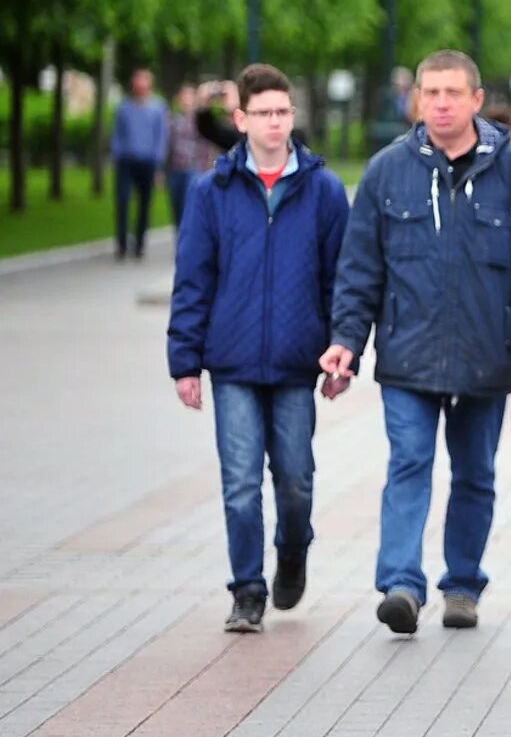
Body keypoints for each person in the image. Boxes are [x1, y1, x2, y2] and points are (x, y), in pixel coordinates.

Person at [321, 50, 511, 634]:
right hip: (407, 354)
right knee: (410, 464)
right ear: (417, 100)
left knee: (475, 474)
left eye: (453, 93)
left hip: (486, 357)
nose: (441, 103)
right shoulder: (387, 171)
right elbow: (359, 269)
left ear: (477, 99)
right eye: (431, 94)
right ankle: (400, 584)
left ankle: (463, 586)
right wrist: (348, 338)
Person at [167, 64, 352, 632]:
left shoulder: (322, 190)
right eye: (264, 113)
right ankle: (247, 588)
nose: (275, 123)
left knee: (295, 479)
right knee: (241, 483)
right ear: (241, 119)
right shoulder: (212, 192)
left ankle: (292, 551)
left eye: (283, 112)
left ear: (292, 116)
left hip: (298, 362)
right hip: (234, 362)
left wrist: (342, 349)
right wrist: (185, 362)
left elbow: (340, 279)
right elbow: (193, 278)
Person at [112, 68, 168, 260]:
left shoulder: (158, 107)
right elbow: (117, 134)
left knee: (145, 204)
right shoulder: (124, 107)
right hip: (127, 161)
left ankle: (139, 243)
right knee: (123, 201)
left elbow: (161, 136)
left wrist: (158, 165)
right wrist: (118, 154)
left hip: (148, 161)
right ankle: (121, 243)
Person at [165, 84, 217, 232]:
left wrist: (208, 168)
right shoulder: (173, 120)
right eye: (184, 96)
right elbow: (168, 145)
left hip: (195, 168)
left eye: (189, 96)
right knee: (176, 210)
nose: (186, 100)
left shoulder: (201, 121)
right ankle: (180, 242)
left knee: (189, 207)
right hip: (175, 169)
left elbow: (208, 145)